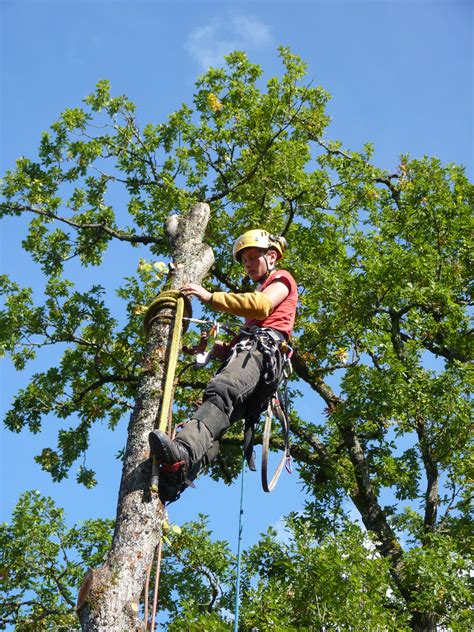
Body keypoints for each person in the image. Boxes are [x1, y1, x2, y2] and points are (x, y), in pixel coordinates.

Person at [149, 229, 298, 502]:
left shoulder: (281, 279)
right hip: (257, 367)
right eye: (244, 261)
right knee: (216, 418)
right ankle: (178, 475)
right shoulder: (254, 314)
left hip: (260, 354)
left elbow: (261, 305)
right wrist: (215, 349)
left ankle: (182, 451)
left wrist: (210, 297)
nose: (249, 264)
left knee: (222, 391)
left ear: (272, 256)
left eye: (254, 257)